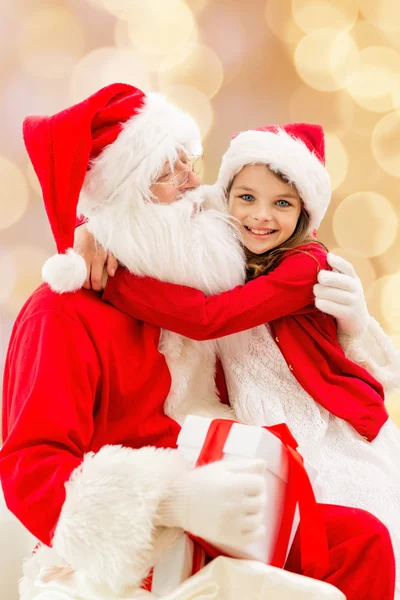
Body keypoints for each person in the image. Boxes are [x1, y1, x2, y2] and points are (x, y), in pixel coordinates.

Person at [0, 85, 396, 600]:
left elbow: (259, 218)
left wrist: (356, 327)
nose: (195, 183)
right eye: (170, 171)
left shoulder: (195, 274)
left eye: (193, 162)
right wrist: (172, 501)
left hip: (229, 509)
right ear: (126, 195)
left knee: (363, 542)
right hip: (136, 545)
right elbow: (30, 469)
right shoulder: (62, 312)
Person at [91, 122, 400, 595]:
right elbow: (159, 217)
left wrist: (115, 282)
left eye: (283, 203)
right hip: (259, 429)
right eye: (247, 198)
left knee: (344, 540)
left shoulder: (306, 264)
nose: (260, 216)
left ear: (303, 215)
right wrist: (93, 231)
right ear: (226, 194)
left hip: (323, 431)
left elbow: (209, 318)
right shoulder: (226, 232)